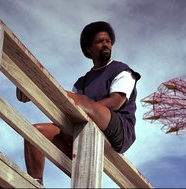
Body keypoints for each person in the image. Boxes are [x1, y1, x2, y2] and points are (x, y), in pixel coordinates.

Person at [17, 21, 141, 185]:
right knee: (37, 131)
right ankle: (35, 183)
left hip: (118, 130)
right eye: (100, 41)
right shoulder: (81, 82)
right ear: (89, 49)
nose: (106, 44)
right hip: (82, 128)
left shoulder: (122, 70)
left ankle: (37, 87)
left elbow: (115, 102)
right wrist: (65, 128)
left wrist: (40, 90)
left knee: (83, 102)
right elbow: (68, 108)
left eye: (108, 41)